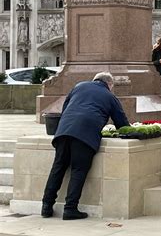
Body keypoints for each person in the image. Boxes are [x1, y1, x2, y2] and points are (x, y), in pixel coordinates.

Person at [41, 72, 129, 220]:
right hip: (85, 135)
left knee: (58, 167)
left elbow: (66, 108)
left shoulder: (78, 86)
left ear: (94, 80)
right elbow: (122, 123)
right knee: (78, 170)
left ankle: (46, 206)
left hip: (63, 131)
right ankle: (70, 209)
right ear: (109, 85)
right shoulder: (109, 96)